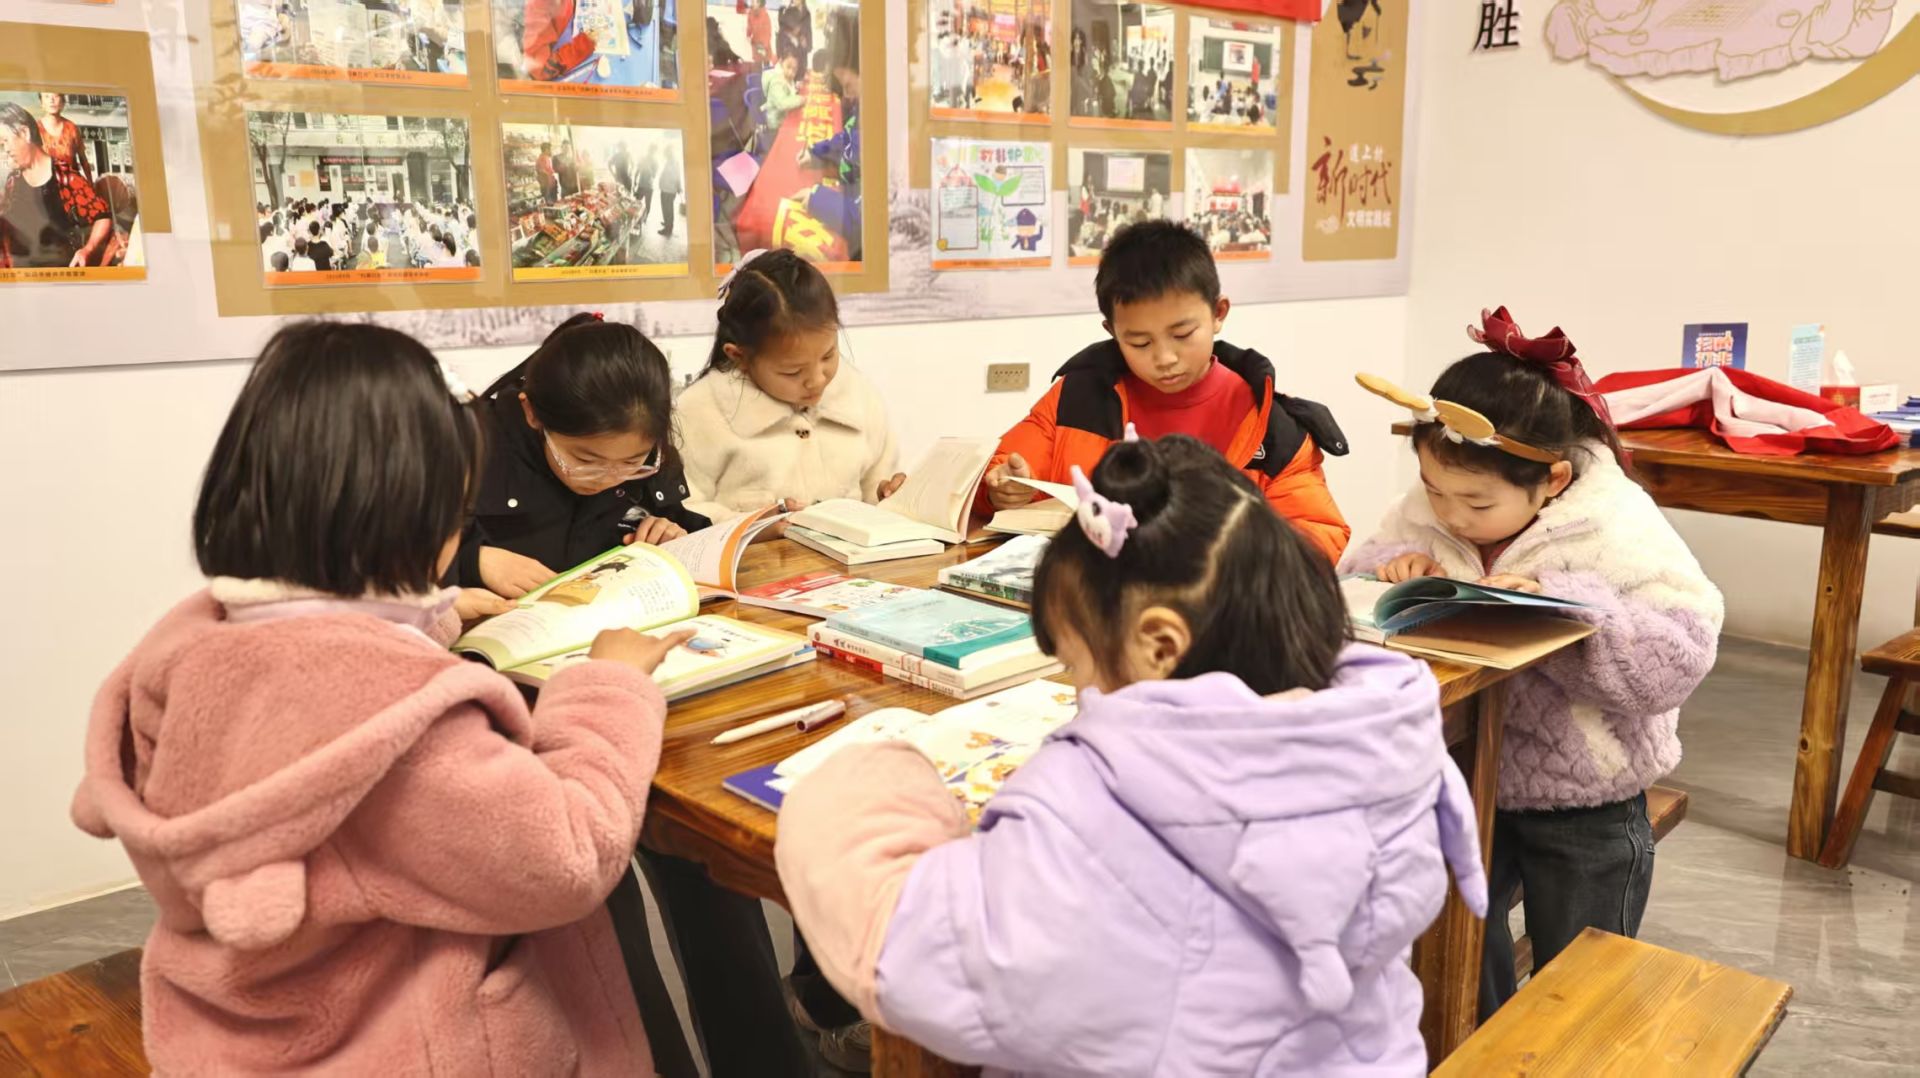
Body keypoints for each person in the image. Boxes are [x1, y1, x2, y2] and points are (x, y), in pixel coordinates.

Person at [71, 321, 690, 1075]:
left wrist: (433, 619)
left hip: (248, 1036)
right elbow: (568, 860)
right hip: (417, 1045)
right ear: (417, 516)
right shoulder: (404, 722)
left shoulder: (192, 647)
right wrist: (607, 689)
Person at [774, 433, 1487, 1074]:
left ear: (1159, 646)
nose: (1078, 696)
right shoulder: (1379, 743)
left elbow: (925, 963)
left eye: (1080, 670)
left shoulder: (1098, 811)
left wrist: (877, 773)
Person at [1338, 306, 1725, 1020]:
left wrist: (1566, 607)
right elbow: (1352, 577)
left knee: (1585, 984)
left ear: (1551, 480)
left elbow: (1678, 655)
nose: (1451, 516)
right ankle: (1477, 1045)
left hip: (1587, 796)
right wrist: (1394, 567)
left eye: (1476, 502)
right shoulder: (1432, 504)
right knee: (1450, 951)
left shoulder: (1614, 522)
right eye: (1434, 491)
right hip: (1460, 777)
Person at [979, 219, 1352, 563]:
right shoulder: (1076, 400)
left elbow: (1317, 535)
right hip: (1093, 600)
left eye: (1183, 334)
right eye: (1140, 343)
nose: (1165, 358)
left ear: (1218, 313)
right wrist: (1001, 489)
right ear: (1112, 332)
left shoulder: (1269, 426)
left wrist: (1230, 562)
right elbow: (996, 478)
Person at [678, 248, 904, 522]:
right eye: (793, 372)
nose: (818, 380)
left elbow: (876, 483)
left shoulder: (859, 396)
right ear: (739, 357)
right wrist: (751, 527)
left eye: (828, 355)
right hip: (755, 552)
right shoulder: (699, 413)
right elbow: (683, 511)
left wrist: (888, 494)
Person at [0, 103, 112, 269]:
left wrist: (88, 249)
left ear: (24, 133)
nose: (5, 150)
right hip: (21, 276)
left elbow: (102, 217)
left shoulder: (65, 176)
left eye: (5, 141)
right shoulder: (13, 180)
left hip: (59, 271)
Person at [37, 93, 92, 182]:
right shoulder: (36, 129)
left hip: (71, 184)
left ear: (63, 102)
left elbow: (83, 160)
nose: (51, 100)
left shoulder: (71, 128)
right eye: (47, 96)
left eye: (56, 96)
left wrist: (90, 184)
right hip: (46, 184)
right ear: (42, 103)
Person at [761, 51, 805, 132]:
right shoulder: (776, 81)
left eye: (794, 69)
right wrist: (800, 99)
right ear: (781, 62)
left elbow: (788, 92)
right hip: (776, 125)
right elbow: (782, 103)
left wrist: (795, 88)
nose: (791, 72)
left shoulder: (786, 77)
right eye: (788, 67)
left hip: (785, 117)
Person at [657, 147, 681, 238]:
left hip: (668, 190)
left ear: (669, 153)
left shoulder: (673, 163)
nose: (665, 155)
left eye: (666, 153)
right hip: (667, 189)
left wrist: (678, 187)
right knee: (667, 209)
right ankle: (667, 223)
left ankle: (668, 228)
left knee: (667, 209)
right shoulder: (670, 162)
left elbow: (677, 177)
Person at [746, 0, 774, 65]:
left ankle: (766, 66)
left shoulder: (764, 14)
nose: (752, 3)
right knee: (757, 63)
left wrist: (764, 45)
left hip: (763, 43)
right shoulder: (750, 13)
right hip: (756, 42)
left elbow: (768, 31)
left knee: (765, 62)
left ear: (759, 3)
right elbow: (749, 26)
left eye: (753, 1)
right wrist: (748, 35)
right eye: (751, 1)